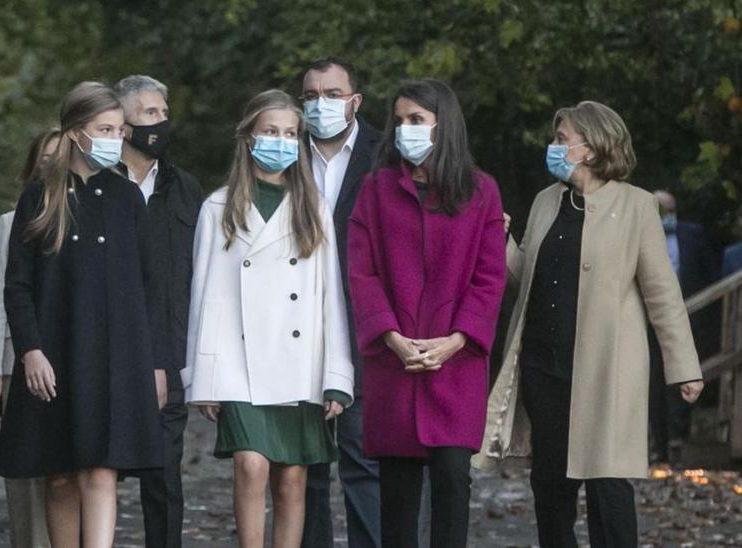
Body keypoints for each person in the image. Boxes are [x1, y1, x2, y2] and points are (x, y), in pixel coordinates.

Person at [477, 101, 705, 548]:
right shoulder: (547, 201)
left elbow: (663, 294)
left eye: (562, 140)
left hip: (607, 371)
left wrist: (685, 367)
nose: (554, 147)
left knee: (608, 487)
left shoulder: (637, 206)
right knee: (550, 488)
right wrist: (500, 240)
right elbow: (527, 274)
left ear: (594, 145)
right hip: (546, 368)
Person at [0, 81, 165, 548]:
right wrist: (30, 350)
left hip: (114, 357)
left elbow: (149, 287)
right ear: (74, 132)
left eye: (118, 128)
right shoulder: (38, 198)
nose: (115, 137)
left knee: (101, 470)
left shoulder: (128, 198)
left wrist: (155, 362)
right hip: (53, 354)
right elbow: (18, 286)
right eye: (103, 128)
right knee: (60, 474)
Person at [184, 89, 353, 548]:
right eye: (271, 132)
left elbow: (328, 297)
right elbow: (205, 296)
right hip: (238, 363)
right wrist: (203, 375)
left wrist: (336, 375)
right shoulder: (218, 207)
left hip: (300, 362)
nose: (280, 141)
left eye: (290, 133)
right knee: (251, 464)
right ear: (248, 138)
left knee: (293, 478)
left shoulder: (313, 207)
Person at [347, 79, 506, 548]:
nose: (404, 129)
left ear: (444, 125)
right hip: (393, 365)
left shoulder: (482, 192)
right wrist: (391, 337)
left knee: (453, 478)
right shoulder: (375, 190)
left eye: (416, 120)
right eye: (398, 120)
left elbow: (489, 276)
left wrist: (457, 340)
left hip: (455, 367)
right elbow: (362, 273)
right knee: (395, 491)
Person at [294, 57, 384, 548]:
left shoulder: (384, 154)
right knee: (304, 468)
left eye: (331, 93)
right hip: (293, 327)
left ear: (355, 101)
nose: (320, 104)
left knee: (362, 459)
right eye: (310, 95)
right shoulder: (281, 152)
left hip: (362, 325)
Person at [112, 74, 203, 548]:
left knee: (166, 479)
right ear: (122, 125)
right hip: (108, 352)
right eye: (150, 114)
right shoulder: (96, 183)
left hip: (172, 349)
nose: (161, 123)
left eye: (164, 113)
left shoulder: (187, 190)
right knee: (98, 477)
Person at [0, 128, 60, 548]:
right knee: (25, 469)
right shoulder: (10, 223)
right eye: (44, 157)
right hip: (15, 363)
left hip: (71, 359)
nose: (52, 164)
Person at [649, 190, 718, 462]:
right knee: (655, 383)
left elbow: (710, 274)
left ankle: (680, 440)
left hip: (689, 319)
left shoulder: (693, 235)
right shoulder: (640, 236)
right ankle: (660, 446)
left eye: (667, 210)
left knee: (685, 378)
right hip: (651, 321)